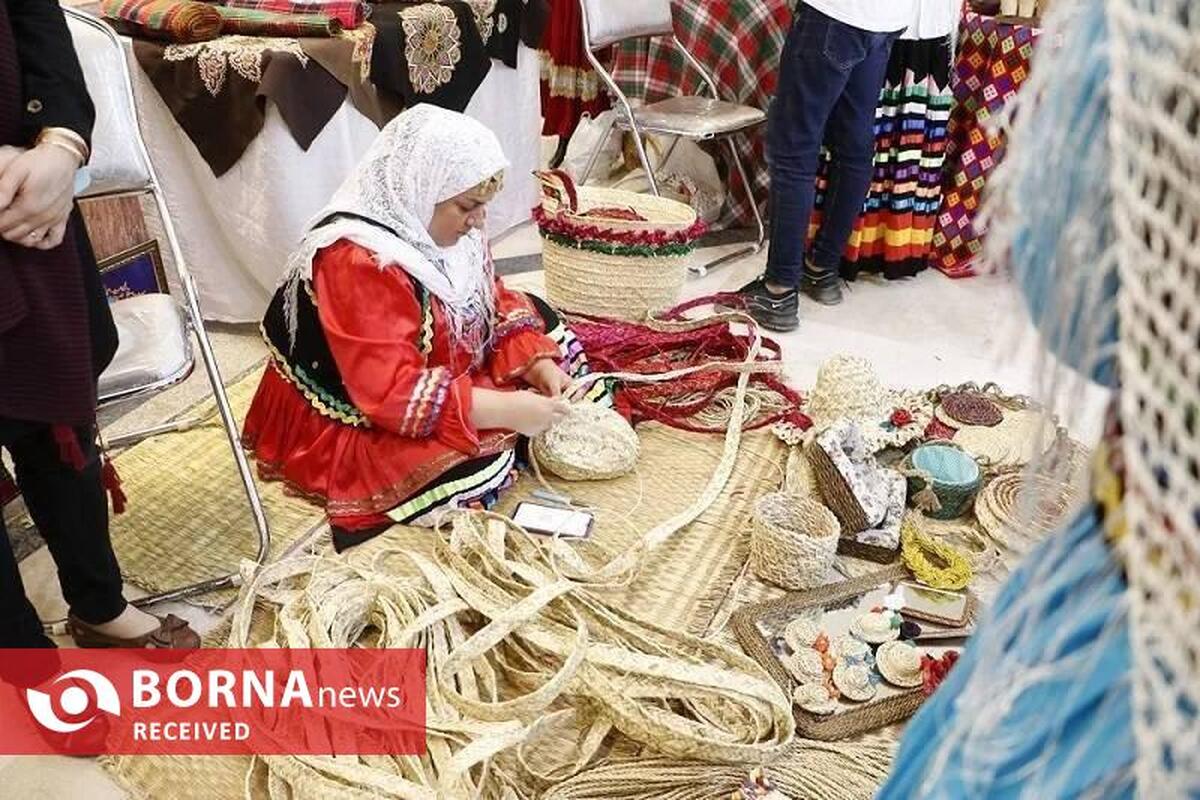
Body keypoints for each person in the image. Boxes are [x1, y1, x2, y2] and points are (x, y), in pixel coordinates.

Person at [243, 105, 610, 552]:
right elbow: (390, 394)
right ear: (421, 187)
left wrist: (538, 367)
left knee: (548, 331)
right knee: (476, 467)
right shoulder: (359, 260)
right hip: (361, 401)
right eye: (467, 207)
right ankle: (505, 418)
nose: (477, 222)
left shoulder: (445, 222)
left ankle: (518, 402)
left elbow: (489, 296)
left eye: (482, 208)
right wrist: (507, 410)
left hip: (422, 368)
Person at [0, 0, 201, 672]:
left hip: (29, 220)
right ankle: (20, 658)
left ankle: (98, 604)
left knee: (60, 430)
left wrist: (60, 149)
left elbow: (43, 42)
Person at [733, 0, 914, 332]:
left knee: (794, 149)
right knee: (854, 145)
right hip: (886, 19)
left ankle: (779, 291)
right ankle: (822, 269)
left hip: (836, 15)